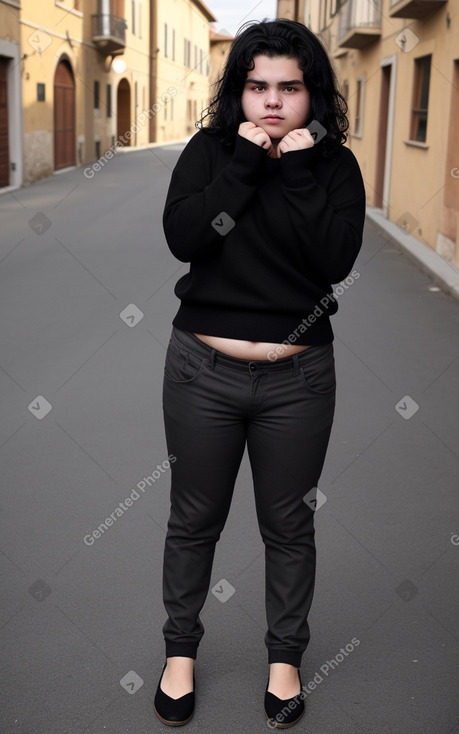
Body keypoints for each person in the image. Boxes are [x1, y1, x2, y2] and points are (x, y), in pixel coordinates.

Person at [154, 18, 366, 728]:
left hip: (297, 382)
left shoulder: (333, 167)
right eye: (256, 87)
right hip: (201, 372)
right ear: (238, 93)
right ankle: (179, 654)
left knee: (288, 527)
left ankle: (284, 660)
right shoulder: (210, 153)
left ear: (312, 94)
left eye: (289, 88)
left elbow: (330, 259)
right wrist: (244, 167)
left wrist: (296, 168)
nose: (272, 103)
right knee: (193, 521)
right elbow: (186, 237)